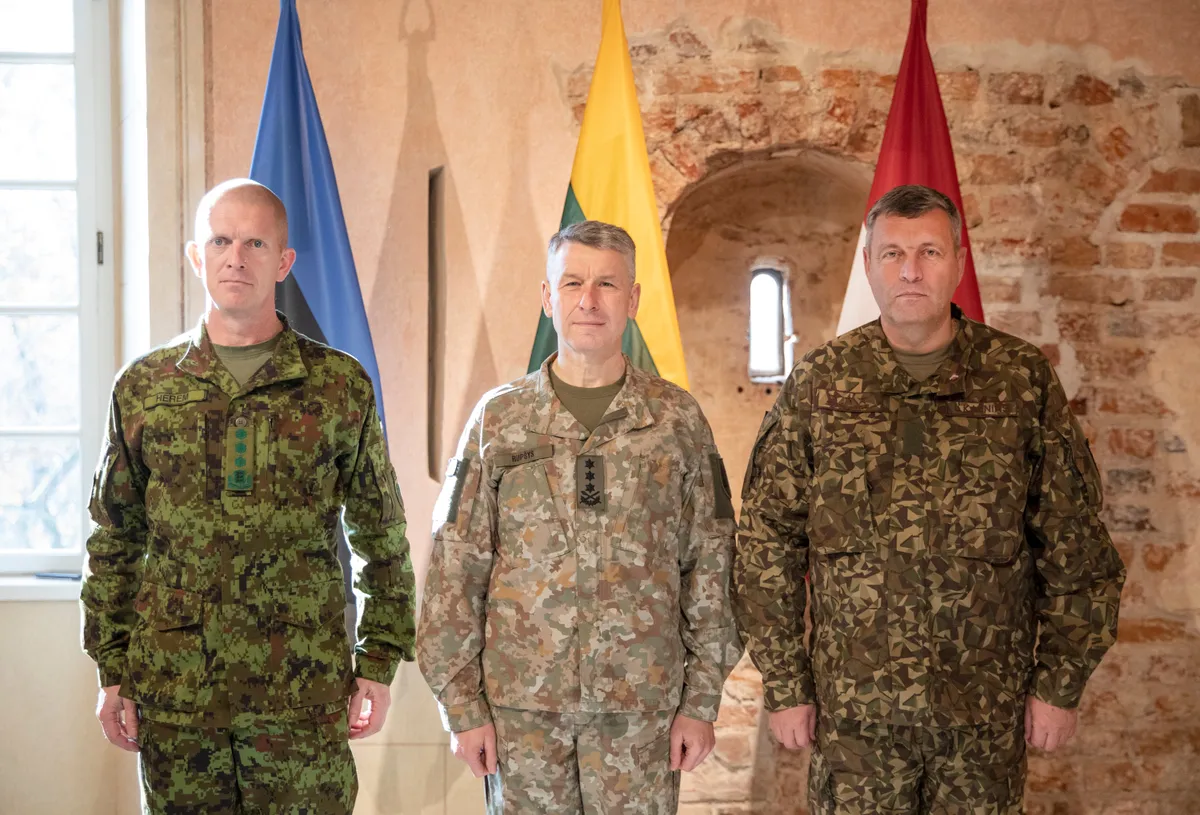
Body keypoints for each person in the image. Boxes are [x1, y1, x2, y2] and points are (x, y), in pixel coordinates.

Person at [735, 184, 1125, 814]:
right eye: (891, 254)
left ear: (959, 263)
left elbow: (1073, 541)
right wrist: (785, 685)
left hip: (983, 716)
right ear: (868, 265)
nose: (910, 270)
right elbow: (766, 543)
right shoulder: (822, 382)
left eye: (928, 251)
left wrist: (1059, 683)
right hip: (855, 718)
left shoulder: (1018, 379)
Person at [81, 178, 415, 813]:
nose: (236, 257)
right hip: (178, 696)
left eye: (256, 242)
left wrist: (378, 658)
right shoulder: (144, 387)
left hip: (300, 694)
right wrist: (111, 667)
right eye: (221, 240)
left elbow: (380, 533)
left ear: (283, 261)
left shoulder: (338, 385)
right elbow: (113, 537)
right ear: (196, 256)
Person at [417, 220, 743, 814]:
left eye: (607, 285)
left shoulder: (676, 421)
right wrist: (462, 708)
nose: (588, 301)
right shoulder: (500, 420)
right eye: (572, 283)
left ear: (633, 299)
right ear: (548, 297)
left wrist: (700, 701)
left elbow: (713, 564)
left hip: (641, 714)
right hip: (522, 715)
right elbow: (455, 570)